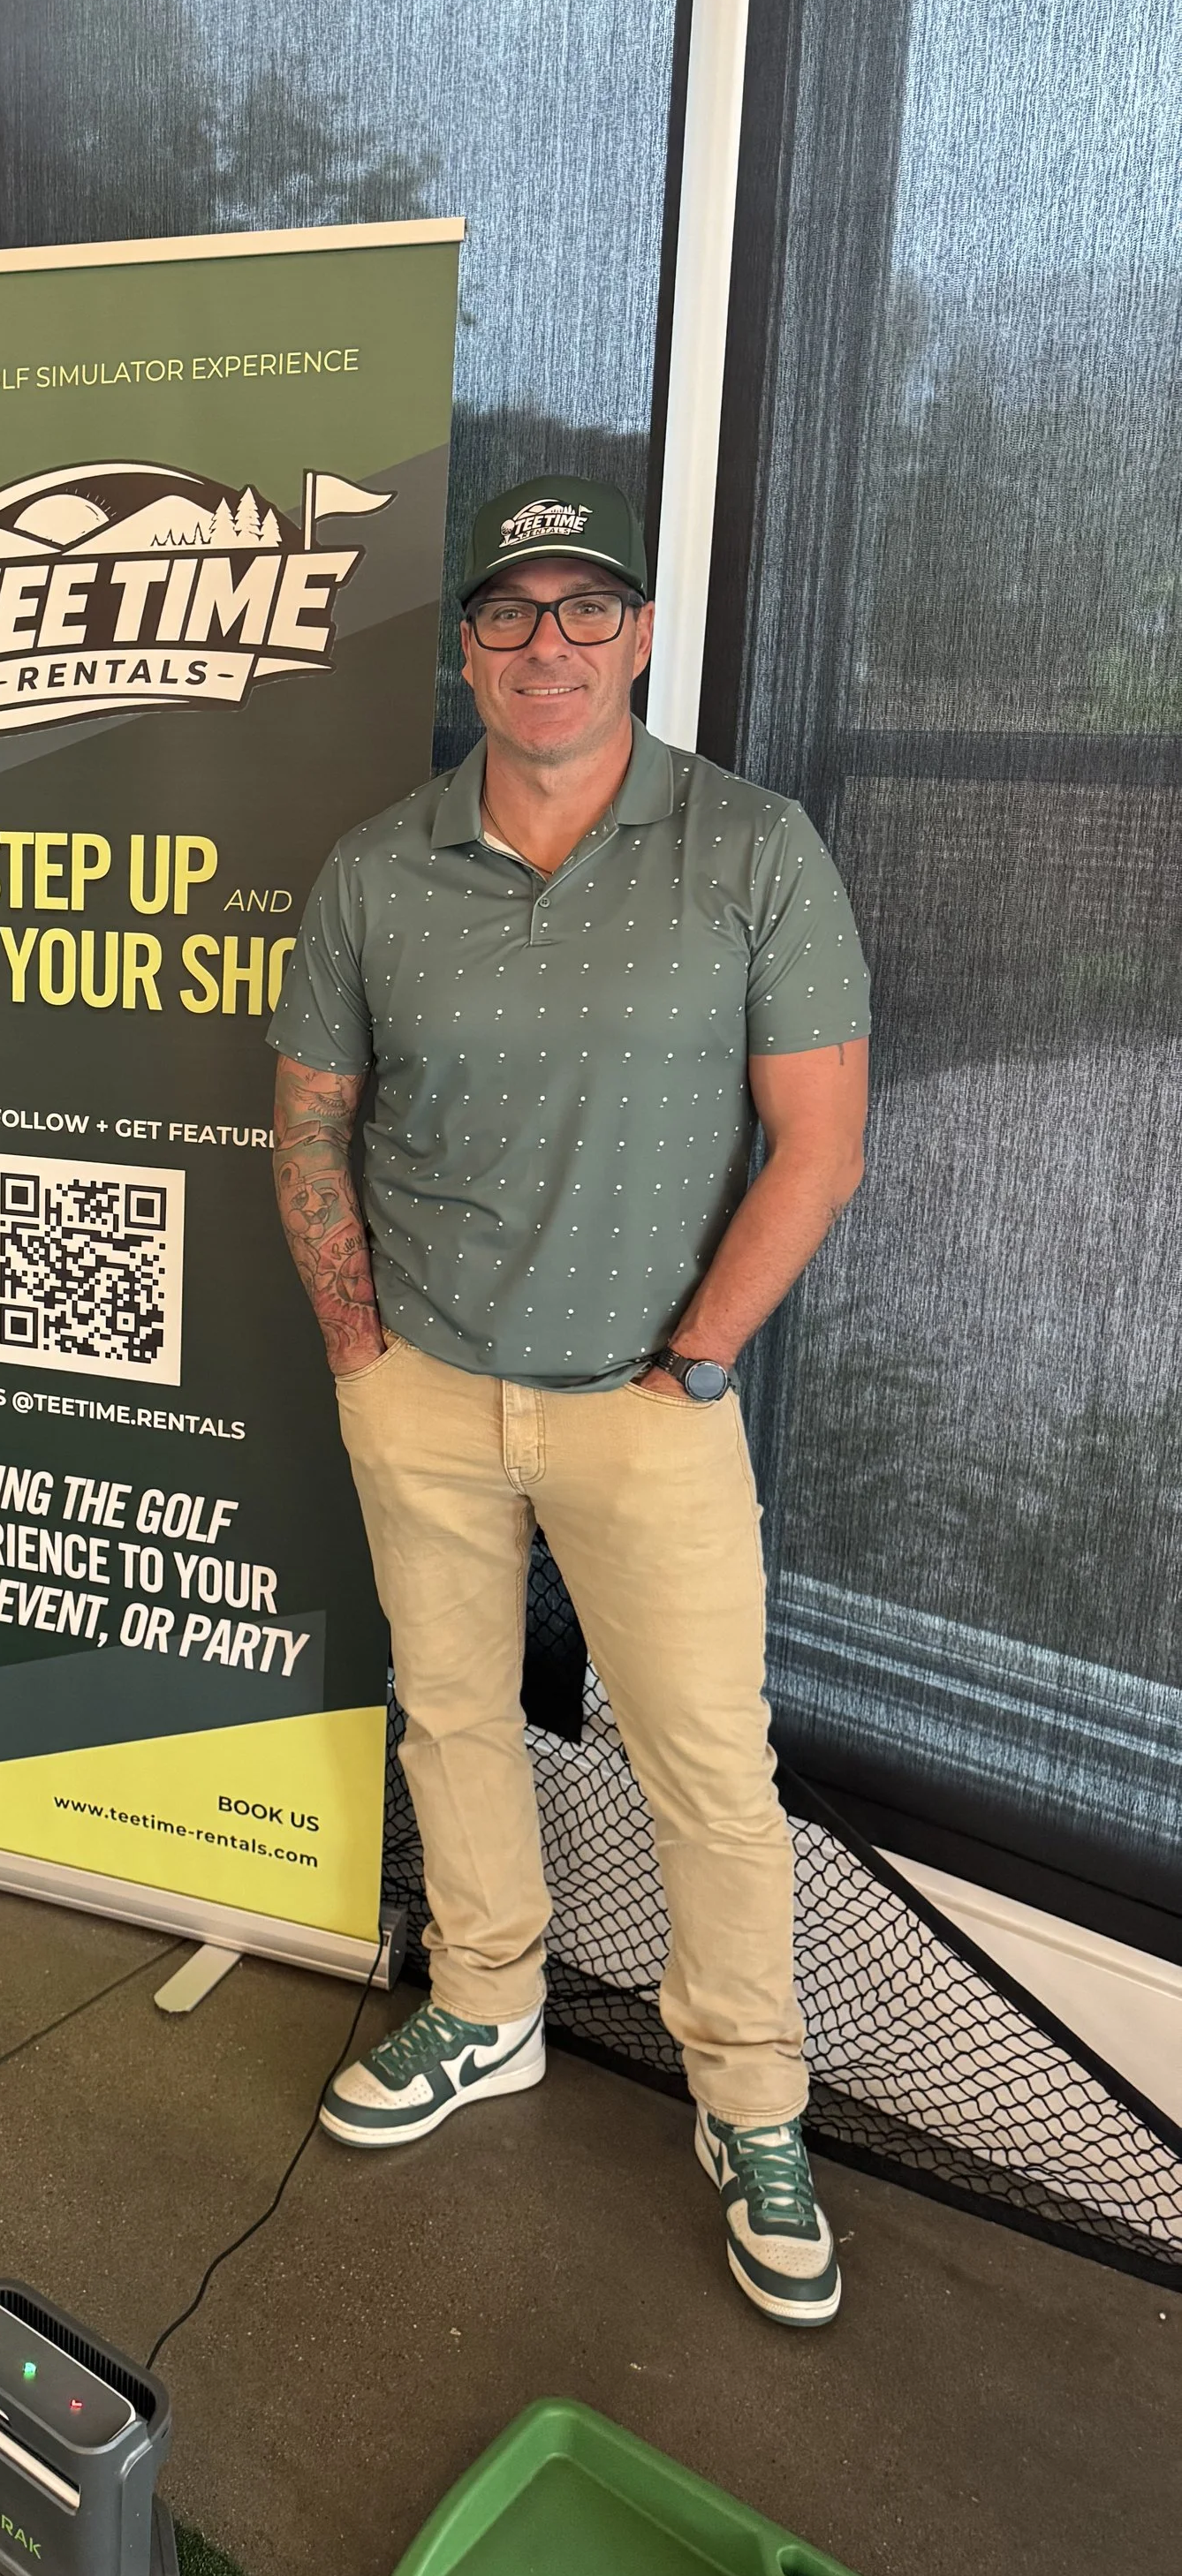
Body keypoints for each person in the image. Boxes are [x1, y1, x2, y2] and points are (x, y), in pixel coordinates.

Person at [269, 475, 869, 2329]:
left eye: (581, 610)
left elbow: (817, 1141)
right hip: (424, 1389)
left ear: (632, 636)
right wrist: (360, 1351)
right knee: (448, 1712)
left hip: (644, 1403)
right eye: (510, 613)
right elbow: (309, 1119)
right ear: (465, 645)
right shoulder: (379, 866)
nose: (546, 645)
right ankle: (483, 2005)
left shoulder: (750, 847)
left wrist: (695, 1360)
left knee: (705, 1770)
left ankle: (749, 2107)